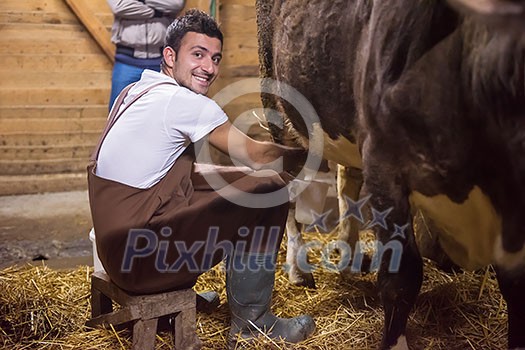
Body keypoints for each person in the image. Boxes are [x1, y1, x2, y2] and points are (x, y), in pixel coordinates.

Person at [87, 9, 316, 347]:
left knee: (233, 180)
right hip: (141, 263)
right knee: (270, 189)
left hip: (117, 252)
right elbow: (255, 154)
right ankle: (252, 325)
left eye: (215, 58)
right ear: (170, 55)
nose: (209, 67)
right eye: (198, 54)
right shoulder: (184, 104)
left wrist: (239, 176)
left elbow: (173, 174)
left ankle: (187, 296)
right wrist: (312, 152)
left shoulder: (135, 92)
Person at [106, 0, 186, 109]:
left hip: (162, 61)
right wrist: (158, 13)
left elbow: (175, 4)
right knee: (118, 112)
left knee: (165, 109)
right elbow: (119, 6)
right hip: (127, 62)